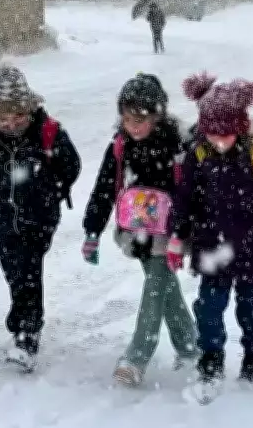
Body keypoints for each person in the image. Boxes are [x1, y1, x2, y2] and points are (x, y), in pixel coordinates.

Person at [168, 72, 253, 402]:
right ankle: (211, 361)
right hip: (212, 250)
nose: (217, 140)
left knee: (252, 311)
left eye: (224, 134)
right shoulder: (198, 154)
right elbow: (184, 198)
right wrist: (177, 236)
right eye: (211, 133)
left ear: (239, 126)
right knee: (208, 310)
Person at [0, 64, 81, 372]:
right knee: (13, 270)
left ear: (28, 109)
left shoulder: (46, 131)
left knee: (28, 268)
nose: (10, 125)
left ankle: (26, 333)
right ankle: (24, 321)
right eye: (2, 119)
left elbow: (71, 165)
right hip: (1, 217)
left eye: (17, 117)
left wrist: (51, 190)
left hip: (38, 217)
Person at [81, 73, 197, 387]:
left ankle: (137, 356)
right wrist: (92, 231)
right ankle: (190, 347)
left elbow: (194, 187)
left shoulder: (177, 144)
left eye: (141, 119)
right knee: (164, 287)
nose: (133, 126)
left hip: (170, 231)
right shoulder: (120, 147)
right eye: (127, 118)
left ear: (157, 117)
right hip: (137, 231)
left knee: (157, 285)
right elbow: (103, 190)